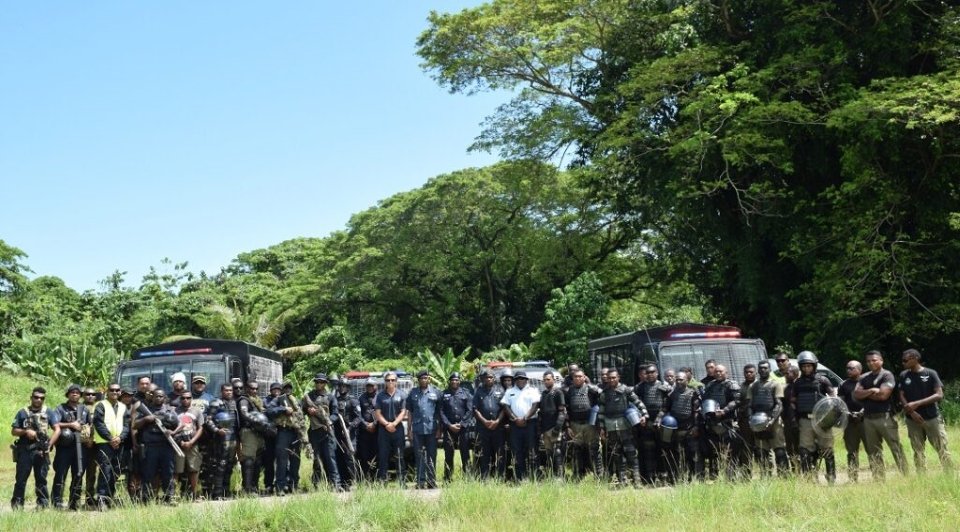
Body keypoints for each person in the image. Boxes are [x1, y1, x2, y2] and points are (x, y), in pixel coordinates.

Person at [854, 350, 908, 480]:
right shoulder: (863, 377)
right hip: (868, 419)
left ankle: (905, 475)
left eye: (874, 360)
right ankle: (878, 479)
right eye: (868, 361)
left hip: (885, 418)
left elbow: (883, 395)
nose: (871, 363)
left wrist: (865, 394)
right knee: (873, 451)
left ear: (881, 361)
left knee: (895, 447)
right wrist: (873, 390)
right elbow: (856, 394)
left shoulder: (887, 375)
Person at [899, 349, 953, 473]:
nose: (903, 362)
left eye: (905, 360)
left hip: (932, 418)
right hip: (912, 420)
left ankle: (949, 474)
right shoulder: (903, 375)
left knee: (942, 448)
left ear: (915, 358)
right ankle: (921, 477)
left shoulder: (931, 373)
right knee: (917, 450)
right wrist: (912, 412)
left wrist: (917, 403)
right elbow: (901, 395)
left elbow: (939, 395)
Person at [790, 351, 836, 483]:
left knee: (827, 449)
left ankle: (831, 478)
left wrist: (831, 416)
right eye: (804, 366)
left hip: (822, 420)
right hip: (805, 420)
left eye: (809, 366)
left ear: (814, 366)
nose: (806, 368)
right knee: (804, 450)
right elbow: (793, 402)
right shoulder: (797, 383)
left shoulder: (823, 380)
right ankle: (808, 478)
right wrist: (794, 418)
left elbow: (834, 399)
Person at [598, 369, 647, 486]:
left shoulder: (626, 390)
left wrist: (644, 414)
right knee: (617, 452)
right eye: (609, 378)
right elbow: (601, 412)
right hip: (611, 426)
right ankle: (622, 479)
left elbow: (637, 402)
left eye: (614, 377)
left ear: (618, 377)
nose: (611, 380)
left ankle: (637, 480)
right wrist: (601, 428)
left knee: (631, 452)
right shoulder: (604, 393)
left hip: (625, 424)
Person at [11, 387, 55, 510]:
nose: (38, 400)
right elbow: (14, 431)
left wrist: (49, 444)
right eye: (36, 397)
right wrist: (26, 432)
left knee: (41, 479)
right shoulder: (22, 412)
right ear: (31, 398)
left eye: (42, 398)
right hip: (25, 450)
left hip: (41, 451)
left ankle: (43, 504)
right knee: (21, 479)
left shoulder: (48, 412)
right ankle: (17, 504)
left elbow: (57, 429)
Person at [50, 384, 91, 510]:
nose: (75, 394)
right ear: (67, 394)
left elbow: (90, 425)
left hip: (81, 447)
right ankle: (56, 502)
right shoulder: (60, 408)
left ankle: (74, 502)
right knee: (61, 474)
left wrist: (89, 438)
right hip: (64, 448)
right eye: (72, 392)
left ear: (80, 395)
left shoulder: (84, 409)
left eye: (77, 392)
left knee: (78, 474)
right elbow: (54, 424)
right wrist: (71, 425)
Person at [135, 388, 179, 504]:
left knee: (168, 472)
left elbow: (179, 425)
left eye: (161, 396)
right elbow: (135, 425)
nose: (158, 398)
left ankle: (169, 497)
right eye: (156, 396)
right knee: (148, 472)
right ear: (152, 397)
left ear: (164, 398)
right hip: (150, 447)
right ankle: (145, 498)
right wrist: (145, 419)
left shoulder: (170, 411)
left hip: (166, 446)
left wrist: (171, 432)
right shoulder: (146, 410)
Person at [746, 360, 787, 477]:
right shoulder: (753, 386)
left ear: (769, 370)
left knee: (779, 450)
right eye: (761, 368)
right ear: (758, 370)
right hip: (757, 421)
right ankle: (766, 476)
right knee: (762, 451)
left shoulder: (775, 384)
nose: (763, 370)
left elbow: (779, 404)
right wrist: (750, 419)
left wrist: (771, 420)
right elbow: (750, 405)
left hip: (774, 421)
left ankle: (783, 476)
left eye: (765, 368)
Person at [660, 371, 702, 483]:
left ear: (687, 381)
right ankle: (679, 477)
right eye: (677, 379)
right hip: (676, 429)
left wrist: (696, 426)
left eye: (681, 379)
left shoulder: (693, 394)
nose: (678, 381)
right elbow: (665, 409)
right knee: (677, 454)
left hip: (689, 428)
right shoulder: (671, 394)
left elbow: (696, 411)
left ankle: (695, 477)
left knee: (692, 454)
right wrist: (658, 420)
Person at [92, 384, 130, 508]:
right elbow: (98, 423)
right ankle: (102, 499)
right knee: (105, 470)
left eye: (117, 390)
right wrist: (110, 439)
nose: (114, 392)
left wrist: (119, 438)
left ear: (120, 392)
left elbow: (126, 425)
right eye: (112, 390)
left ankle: (109, 497)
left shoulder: (123, 407)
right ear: (107, 392)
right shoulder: (101, 405)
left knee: (116, 470)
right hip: (104, 443)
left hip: (119, 443)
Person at [700, 364, 740, 480]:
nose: (718, 373)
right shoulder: (710, 385)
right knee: (715, 450)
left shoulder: (731, 384)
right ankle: (715, 475)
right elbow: (705, 400)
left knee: (730, 451)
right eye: (716, 371)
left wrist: (725, 410)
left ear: (726, 373)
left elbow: (736, 401)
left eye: (721, 371)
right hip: (713, 422)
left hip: (727, 421)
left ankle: (731, 476)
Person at [501, 371, 541, 482]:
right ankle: (520, 477)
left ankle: (534, 477)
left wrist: (525, 418)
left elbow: (535, 405)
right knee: (517, 451)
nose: (520, 380)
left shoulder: (533, 391)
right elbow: (505, 405)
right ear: (515, 380)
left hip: (530, 424)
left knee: (532, 450)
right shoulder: (510, 391)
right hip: (515, 425)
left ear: (526, 380)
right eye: (518, 379)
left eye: (523, 378)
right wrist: (514, 418)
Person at [304, 373, 341, 490]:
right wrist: (307, 409)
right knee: (316, 459)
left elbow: (336, 414)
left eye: (321, 382)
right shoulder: (309, 396)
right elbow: (301, 410)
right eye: (317, 382)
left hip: (327, 431)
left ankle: (335, 484)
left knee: (330, 458)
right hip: (314, 432)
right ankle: (316, 485)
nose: (319, 384)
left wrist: (329, 421)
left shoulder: (330, 397)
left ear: (325, 384)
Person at [563, 369, 602, 479]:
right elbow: (566, 410)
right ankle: (578, 475)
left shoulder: (592, 389)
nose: (578, 378)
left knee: (594, 450)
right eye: (576, 376)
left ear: (584, 377)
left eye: (580, 376)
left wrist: (599, 423)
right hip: (575, 425)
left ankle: (599, 476)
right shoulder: (569, 391)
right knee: (577, 450)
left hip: (590, 425)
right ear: (573, 378)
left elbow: (601, 402)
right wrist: (567, 426)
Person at [634, 364, 669, 484]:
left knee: (663, 449)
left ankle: (664, 475)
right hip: (646, 422)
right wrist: (641, 416)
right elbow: (635, 404)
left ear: (657, 373)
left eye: (652, 372)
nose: (650, 375)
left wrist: (660, 418)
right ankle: (649, 477)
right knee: (648, 449)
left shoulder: (664, 387)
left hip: (661, 421)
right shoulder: (640, 387)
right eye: (647, 373)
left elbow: (668, 404)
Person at [203, 384, 239, 500]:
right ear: (221, 391)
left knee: (230, 464)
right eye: (226, 390)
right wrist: (217, 430)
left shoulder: (234, 403)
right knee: (220, 465)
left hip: (233, 438)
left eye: (230, 390)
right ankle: (217, 493)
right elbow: (208, 420)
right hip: (221, 439)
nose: (229, 392)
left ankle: (226, 491)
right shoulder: (216, 403)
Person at [407, 370, 441, 488]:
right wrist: (409, 429)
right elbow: (410, 412)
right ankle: (420, 481)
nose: (424, 380)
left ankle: (431, 481)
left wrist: (439, 429)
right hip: (417, 429)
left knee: (432, 455)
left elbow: (438, 412)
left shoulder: (436, 392)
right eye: (421, 378)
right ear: (418, 380)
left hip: (432, 429)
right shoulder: (412, 393)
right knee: (419, 455)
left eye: (426, 378)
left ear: (429, 379)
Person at [374, 371, 407, 486]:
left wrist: (394, 423)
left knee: (399, 456)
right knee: (383, 456)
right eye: (388, 380)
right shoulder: (380, 396)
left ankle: (402, 481)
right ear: (385, 382)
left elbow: (403, 412)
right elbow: (377, 413)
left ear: (396, 382)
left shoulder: (402, 395)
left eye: (393, 380)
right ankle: (383, 481)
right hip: (383, 430)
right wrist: (387, 424)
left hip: (398, 430)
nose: (390, 382)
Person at [473, 369, 506, 480]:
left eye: (491, 377)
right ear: (483, 379)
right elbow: (475, 409)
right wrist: (485, 421)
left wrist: (497, 421)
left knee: (500, 453)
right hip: (483, 428)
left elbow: (504, 409)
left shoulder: (500, 390)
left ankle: (501, 477)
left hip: (498, 427)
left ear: (494, 378)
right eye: (487, 377)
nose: (489, 379)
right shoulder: (478, 391)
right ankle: (485, 477)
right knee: (485, 453)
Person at [440, 372, 472, 482]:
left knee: (465, 453)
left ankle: (467, 478)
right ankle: (447, 478)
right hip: (449, 428)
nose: (454, 382)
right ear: (449, 381)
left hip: (463, 428)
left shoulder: (466, 393)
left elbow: (470, 410)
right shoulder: (443, 394)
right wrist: (449, 425)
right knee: (448, 453)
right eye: (452, 380)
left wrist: (462, 423)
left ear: (459, 381)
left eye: (457, 380)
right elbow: (441, 411)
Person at [236, 381, 267, 494]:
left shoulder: (258, 401)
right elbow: (244, 413)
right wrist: (258, 422)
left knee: (258, 461)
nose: (254, 391)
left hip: (259, 432)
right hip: (249, 432)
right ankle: (247, 488)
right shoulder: (244, 400)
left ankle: (254, 486)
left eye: (256, 389)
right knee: (248, 460)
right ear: (246, 388)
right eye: (251, 388)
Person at [838, 360, 865, 481]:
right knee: (852, 451)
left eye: (851, 368)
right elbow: (840, 403)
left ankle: (878, 477)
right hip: (850, 422)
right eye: (847, 368)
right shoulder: (843, 385)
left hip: (866, 421)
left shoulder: (867, 382)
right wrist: (848, 414)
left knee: (873, 450)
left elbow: (872, 400)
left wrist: (861, 413)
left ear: (859, 370)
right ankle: (853, 479)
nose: (848, 370)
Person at [173, 391, 204, 500]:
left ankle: (194, 494)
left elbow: (200, 428)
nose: (185, 400)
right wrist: (180, 442)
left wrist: (191, 442)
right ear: (180, 399)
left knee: (193, 469)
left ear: (191, 399)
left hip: (192, 444)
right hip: (178, 445)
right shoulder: (175, 411)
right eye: (183, 398)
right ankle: (174, 495)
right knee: (176, 470)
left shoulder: (197, 411)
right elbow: (172, 428)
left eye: (188, 398)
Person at [333, 376, 362, 489]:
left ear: (348, 387)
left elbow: (358, 417)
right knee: (339, 457)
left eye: (344, 386)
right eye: (340, 386)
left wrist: (350, 428)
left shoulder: (353, 400)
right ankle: (343, 483)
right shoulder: (335, 400)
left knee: (350, 458)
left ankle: (353, 481)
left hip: (350, 433)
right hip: (338, 434)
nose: (342, 388)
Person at [538, 371, 566, 479]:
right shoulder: (543, 394)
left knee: (557, 452)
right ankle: (552, 475)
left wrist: (558, 427)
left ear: (553, 380)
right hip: (545, 428)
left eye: (548, 379)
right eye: (544, 380)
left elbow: (562, 412)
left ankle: (560, 476)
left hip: (555, 427)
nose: (546, 382)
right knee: (548, 453)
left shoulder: (558, 393)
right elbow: (541, 412)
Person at [734, 363, 757, 479]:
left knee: (762, 448)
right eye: (746, 372)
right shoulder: (741, 386)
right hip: (745, 422)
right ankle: (746, 474)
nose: (748, 374)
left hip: (759, 421)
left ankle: (766, 472)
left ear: (755, 373)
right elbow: (737, 402)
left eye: (751, 372)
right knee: (746, 448)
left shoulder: (759, 385)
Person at [357, 379, 380, 481]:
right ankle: (365, 478)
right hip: (364, 431)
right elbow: (358, 414)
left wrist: (374, 424)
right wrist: (366, 425)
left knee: (377, 454)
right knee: (364, 455)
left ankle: (376, 478)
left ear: (375, 386)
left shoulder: (380, 397)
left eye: (372, 385)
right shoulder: (361, 398)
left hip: (377, 431)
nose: (370, 387)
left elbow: (382, 413)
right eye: (368, 386)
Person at [81, 387, 99, 508]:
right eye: (87, 394)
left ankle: (90, 497)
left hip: (95, 444)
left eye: (93, 394)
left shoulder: (99, 407)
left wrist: (92, 440)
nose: (90, 396)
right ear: (83, 395)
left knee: (92, 473)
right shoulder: (79, 408)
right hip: (81, 445)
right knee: (79, 472)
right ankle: (75, 497)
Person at [782, 363, 801, 473]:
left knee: (800, 447)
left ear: (795, 374)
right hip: (788, 421)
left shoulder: (799, 386)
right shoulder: (786, 388)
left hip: (799, 421)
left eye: (787, 373)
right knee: (790, 447)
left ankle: (803, 469)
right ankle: (794, 469)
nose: (785, 376)